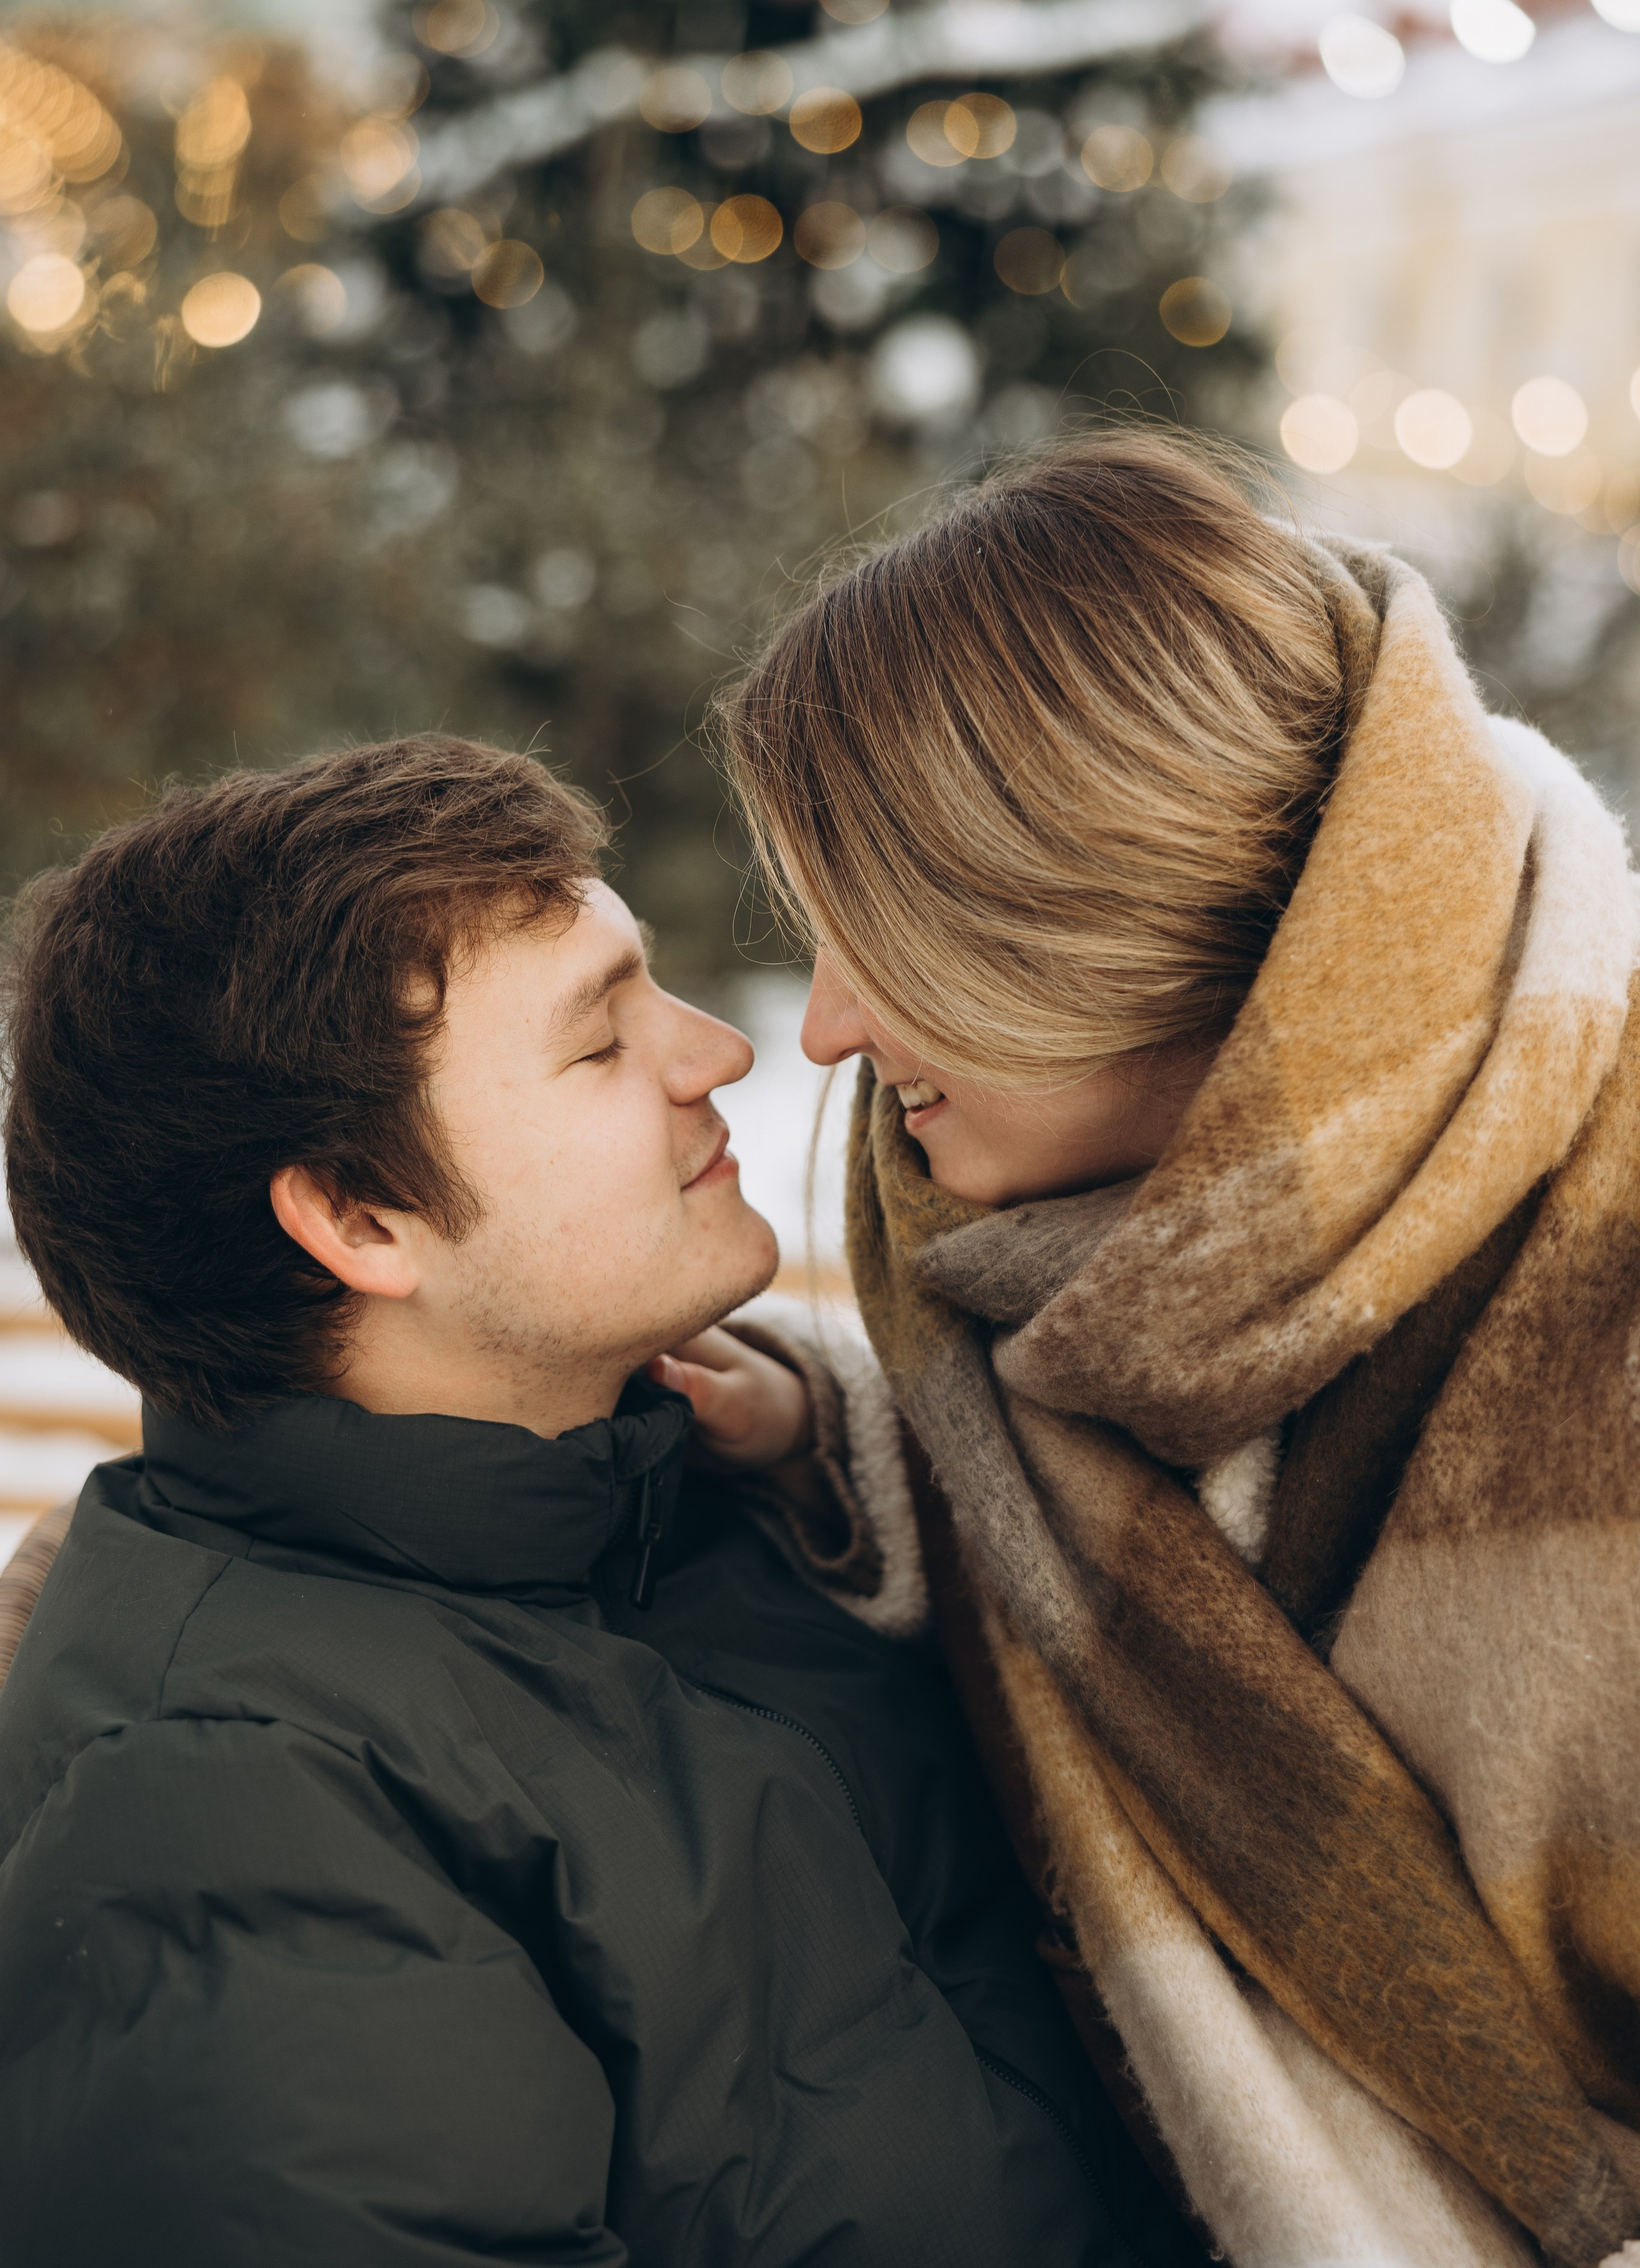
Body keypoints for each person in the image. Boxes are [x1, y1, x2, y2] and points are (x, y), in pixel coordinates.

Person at [0, 737, 1201, 2268]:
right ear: (362, 1219)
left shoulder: (695, 1507)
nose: (719, 1053)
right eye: (596, 1041)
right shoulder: (223, 1823)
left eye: (657, 986)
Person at [718, 431, 1640, 2268]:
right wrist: (827, 1450)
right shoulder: (1014, 1301)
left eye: (872, 940)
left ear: (1079, 904)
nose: (820, 1031)